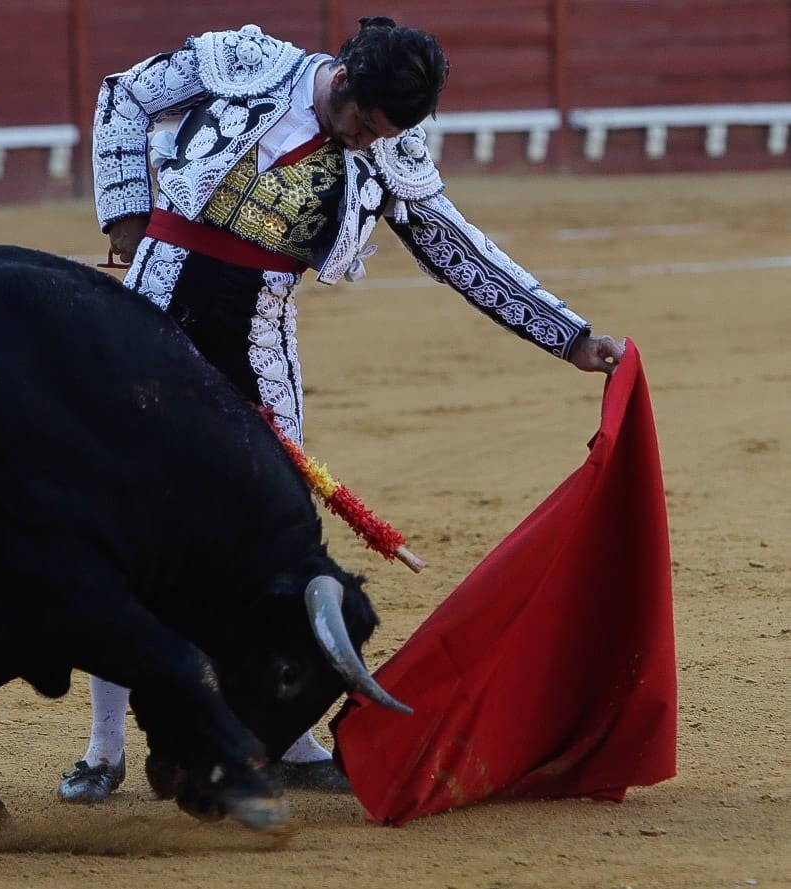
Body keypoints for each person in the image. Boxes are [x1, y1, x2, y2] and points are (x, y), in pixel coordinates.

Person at [57, 17, 625, 804]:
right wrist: (124, 210)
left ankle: (288, 734)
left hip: (259, 338)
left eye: (380, 134)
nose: (364, 142)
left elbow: (454, 247)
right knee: (125, 522)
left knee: (269, 535)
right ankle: (103, 747)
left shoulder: (387, 148)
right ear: (345, 76)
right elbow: (123, 95)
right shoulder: (247, 63)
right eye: (362, 122)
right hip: (154, 307)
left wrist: (569, 336)